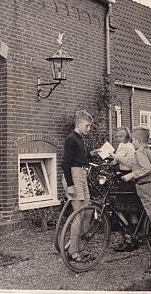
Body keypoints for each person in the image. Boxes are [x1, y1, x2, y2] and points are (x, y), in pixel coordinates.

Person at [122, 126, 151, 273]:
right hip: (147, 189)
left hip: (150, 191)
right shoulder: (144, 151)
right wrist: (116, 157)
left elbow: (146, 169)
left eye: (133, 139)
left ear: (138, 140)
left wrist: (131, 175)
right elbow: (133, 163)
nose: (131, 142)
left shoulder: (140, 152)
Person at [61, 110, 99, 262]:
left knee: (88, 211)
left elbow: (79, 158)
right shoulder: (71, 139)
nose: (89, 129)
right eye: (87, 126)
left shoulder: (79, 139)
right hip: (74, 176)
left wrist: (91, 153)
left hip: (81, 175)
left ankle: (82, 248)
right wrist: (70, 185)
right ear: (78, 124)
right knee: (78, 213)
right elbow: (66, 163)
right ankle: (72, 251)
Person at [109, 127, 140, 252]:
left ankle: (129, 239)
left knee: (119, 209)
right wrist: (113, 161)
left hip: (128, 179)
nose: (118, 138)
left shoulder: (129, 146)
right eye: (117, 136)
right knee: (129, 210)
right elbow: (117, 161)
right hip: (124, 178)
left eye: (121, 136)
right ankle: (134, 238)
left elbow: (130, 163)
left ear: (127, 135)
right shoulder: (123, 146)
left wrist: (115, 157)